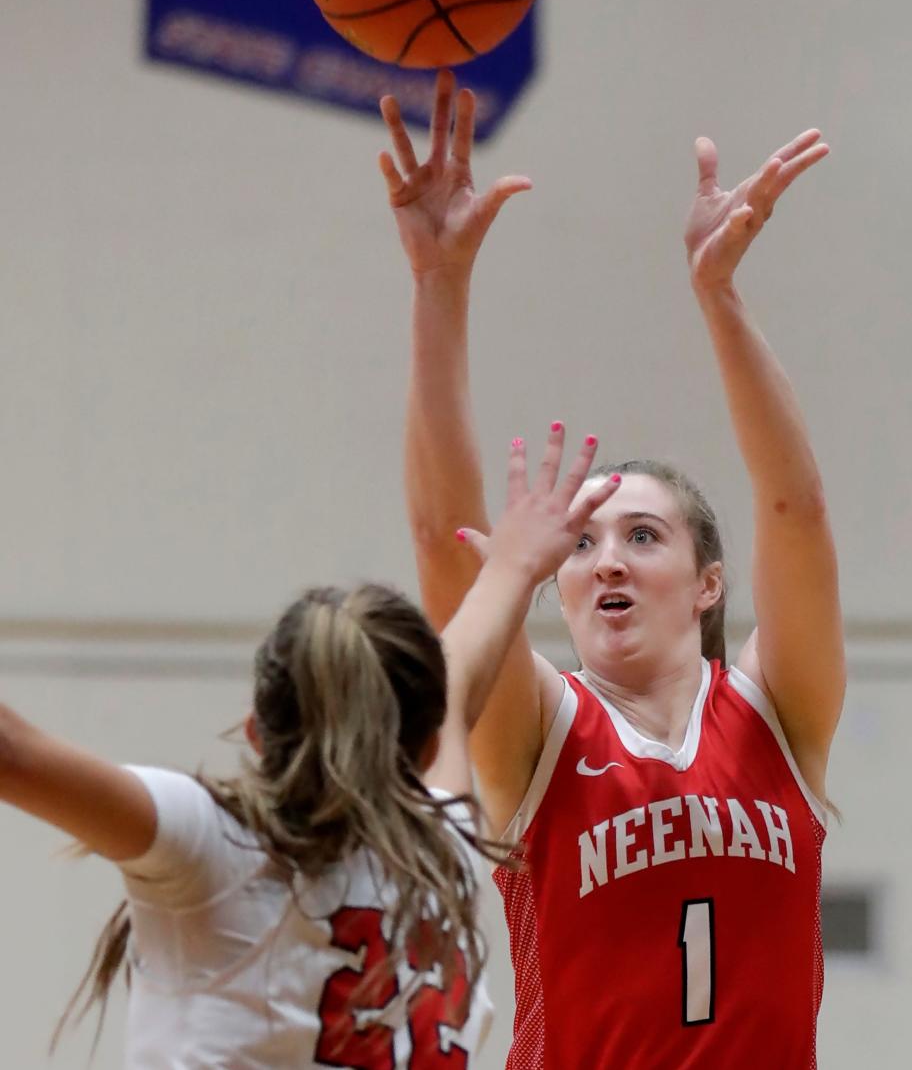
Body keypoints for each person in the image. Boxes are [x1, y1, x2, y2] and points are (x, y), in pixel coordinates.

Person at [379, 71, 846, 1069]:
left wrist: (719, 296)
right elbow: (441, 542)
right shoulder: (541, 728)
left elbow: (797, 511)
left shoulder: (780, 713)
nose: (604, 561)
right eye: (582, 541)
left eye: (643, 534)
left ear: (709, 582)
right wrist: (438, 288)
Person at [0, 426, 618, 1069]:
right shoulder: (445, 850)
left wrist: (515, 568)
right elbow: (457, 682)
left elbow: (9, 749)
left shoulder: (211, 844)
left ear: (255, 733)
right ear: (433, 742)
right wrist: (516, 568)